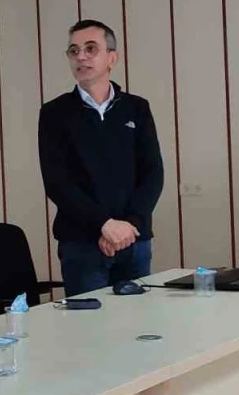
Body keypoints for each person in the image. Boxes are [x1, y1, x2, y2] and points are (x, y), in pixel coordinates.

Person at [38, 19, 164, 297]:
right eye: (74, 51)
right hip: (82, 243)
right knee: (89, 322)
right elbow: (57, 182)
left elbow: (153, 172)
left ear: (111, 58)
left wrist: (129, 226)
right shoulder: (54, 113)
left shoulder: (136, 108)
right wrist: (105, 225)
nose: (81, 57)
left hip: (134, 239)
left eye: (90, 49)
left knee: (140, 320)